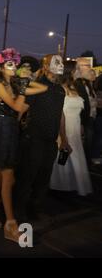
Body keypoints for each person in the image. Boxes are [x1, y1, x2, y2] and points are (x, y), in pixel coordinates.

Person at [0, 48, 47, 242]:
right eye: (10, 64)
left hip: (10, 129)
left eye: (15, 64)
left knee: (0, 176)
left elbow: (43, 88)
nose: (14, 67)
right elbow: (18, 106)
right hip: (2, 130)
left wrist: (25, 79)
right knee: (8, 178)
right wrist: (24, 89)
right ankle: (11, 225)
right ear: (1, 67)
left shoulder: (14, 83)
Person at [14, 54, 68, 223]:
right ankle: (19, 210)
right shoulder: (37, 85)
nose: (59, 65)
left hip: (50, 141)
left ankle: (34, 207)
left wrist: (64, 139)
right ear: (46, 66)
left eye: (61, 62)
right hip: (34, 138)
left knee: (43, 177)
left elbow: (60, 116)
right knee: (27, 176)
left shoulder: (60, 90)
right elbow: (22, 108)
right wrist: (12, 130)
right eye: (55, 62)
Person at [50, 63, 92, 196]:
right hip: (64, 127)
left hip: (75, 127)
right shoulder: (59, 88)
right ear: (71, 71)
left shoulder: (76, 86)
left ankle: (74, 184)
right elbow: (59, 113)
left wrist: (81, 125)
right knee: (63, 156)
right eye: (76, 69)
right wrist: (62, 136)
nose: (78, 71)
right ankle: (60, 185)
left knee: (76, 156)